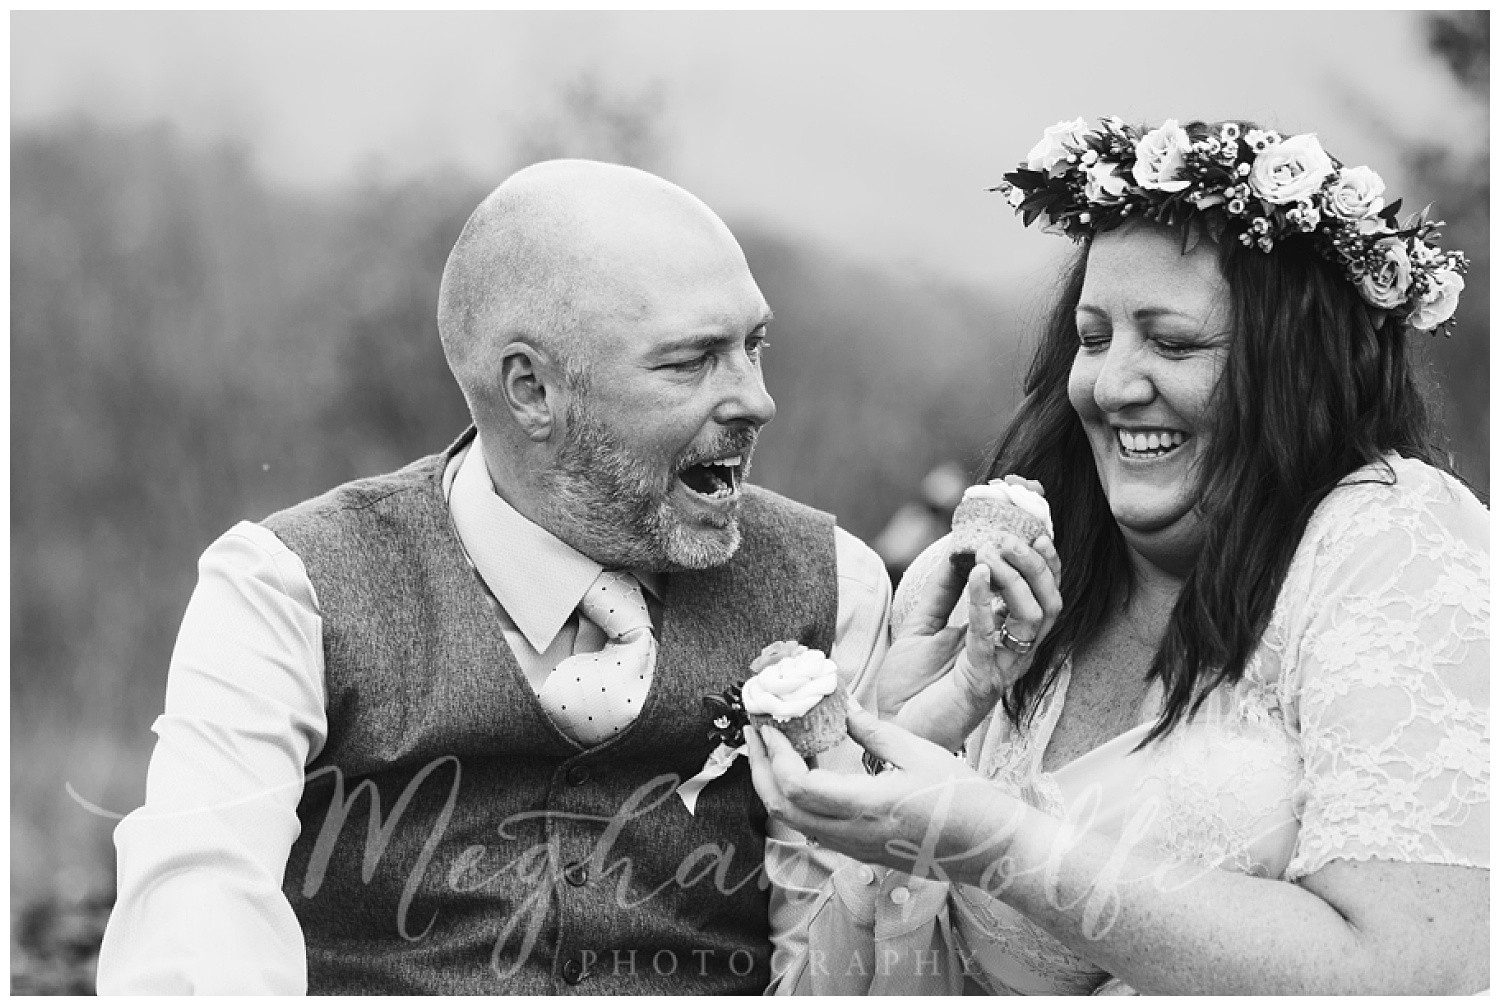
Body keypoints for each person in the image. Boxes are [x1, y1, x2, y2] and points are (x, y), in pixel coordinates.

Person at [96, 159, 893, 994]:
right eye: (692, 362)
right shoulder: (283, 594)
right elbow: (195, 921)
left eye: (753, 346)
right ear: (532, 390)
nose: (756, 400)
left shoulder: (836, 586)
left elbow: (842, 963)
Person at [746, 117, 1488, 994]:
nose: (1109, 384)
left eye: (1173, 343)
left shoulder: (1390, 539)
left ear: (1299, 368)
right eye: (1093, 338)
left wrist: (984, 834)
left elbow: (1417, 969)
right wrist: (910, 727)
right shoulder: (1030, 576)